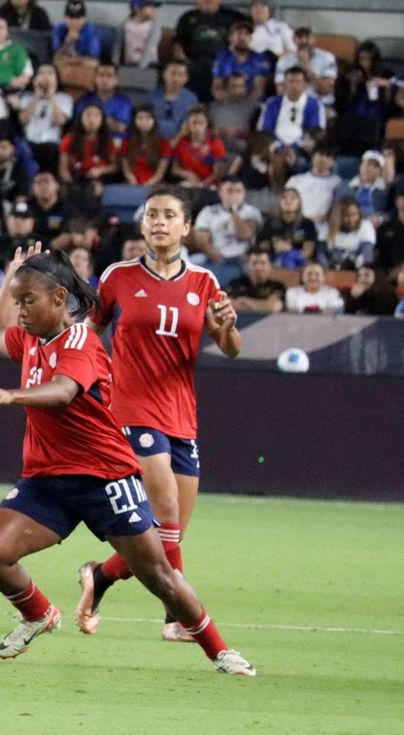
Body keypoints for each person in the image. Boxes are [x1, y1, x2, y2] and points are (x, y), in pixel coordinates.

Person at [0, 242, 254, 675]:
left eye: (27, 301)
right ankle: (39, 614)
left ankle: (219, 650)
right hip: (48, 480)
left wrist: (11, 395)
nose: (20, 311)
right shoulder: (32, 337)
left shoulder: (81, 341)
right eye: (17, 301)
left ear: (59, 299)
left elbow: (64, 392)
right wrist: (10, 280)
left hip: (106, 479)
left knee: (158, 575)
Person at [73, 185, 245, 643]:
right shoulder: (116, 277)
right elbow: (89, 331)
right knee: (164, 507)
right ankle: (178, 619)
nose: (159, 222)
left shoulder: (204, 283)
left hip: (181, 414)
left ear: (186, 227)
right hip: (130, 408)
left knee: (168, 534)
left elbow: (230, 348)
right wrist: (83, 378)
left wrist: (227, 328)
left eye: (169, 215)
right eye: (152, 215)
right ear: (143, 224)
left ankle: (100, 576)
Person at [227, 248, 286, 312]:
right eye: (254, 263)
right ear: (247, 266)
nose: (258, 268)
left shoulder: (278, 287)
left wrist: (244, 301)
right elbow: (230, 305)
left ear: (269, 266)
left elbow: (273, 307)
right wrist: (264, 305)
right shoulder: (236, 284)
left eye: (262, 263)